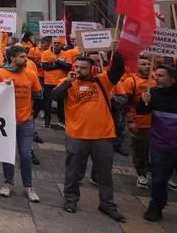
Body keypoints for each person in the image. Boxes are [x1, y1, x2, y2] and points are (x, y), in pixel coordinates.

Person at [53, 52, 126, 222]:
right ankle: (70, 199)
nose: (79, 70)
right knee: (73, 170)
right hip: (77, 135)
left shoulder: (103, 80)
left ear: (92, 69)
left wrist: (116, 52)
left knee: (105, 172)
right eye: (76, 67)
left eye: (83, 68)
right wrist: (68, 82)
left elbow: (118, 70)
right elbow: (54, 97)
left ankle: (107, 203)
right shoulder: (67, 83)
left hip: (103, 135)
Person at [0, 45, 42, 202]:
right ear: (12, 58)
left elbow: (38, 95)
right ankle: (8, 183)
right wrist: (3, 88)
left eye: (25, 56)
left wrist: (31, 113)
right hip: (7, 121)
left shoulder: (31, 74)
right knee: (8, 154)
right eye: (21, 56)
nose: (25, 59)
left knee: (26, 155)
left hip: (25, 121)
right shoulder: (0, 73)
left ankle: (29, 186)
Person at [138, 64, 177, 222]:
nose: (156, 77)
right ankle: (156, 207)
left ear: (172, 79)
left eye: (161, 75)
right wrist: (143, 101)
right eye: (156, 74)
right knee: (159, 178)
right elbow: (142, 111)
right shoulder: (152, 92)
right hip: (161, 144)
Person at [114, 55, 153, 190]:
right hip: (140, 123)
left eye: (149, 64)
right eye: (143, 64)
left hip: (157, 124)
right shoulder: (131, 81)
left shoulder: (156, 80)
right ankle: (142, 174)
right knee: (140, 150)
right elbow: (127, 104)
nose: (147, 66)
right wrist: (130, 121)